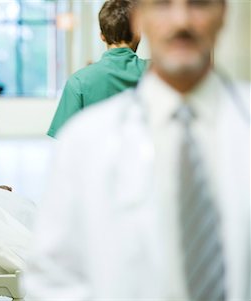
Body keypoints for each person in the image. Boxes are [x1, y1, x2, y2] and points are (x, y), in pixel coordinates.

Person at [25, 0, 249, 300]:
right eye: (162, 5)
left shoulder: (80, 82)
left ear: (223, 12)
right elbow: (55, 276)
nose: (181, 20)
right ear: (139, 23)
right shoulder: (82, 141)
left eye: (198, 3)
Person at [47, 0, 148, 138]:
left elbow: (63, 140)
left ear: (102, 36)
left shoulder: (78, 82)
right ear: (138, 33)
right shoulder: (159, 75)